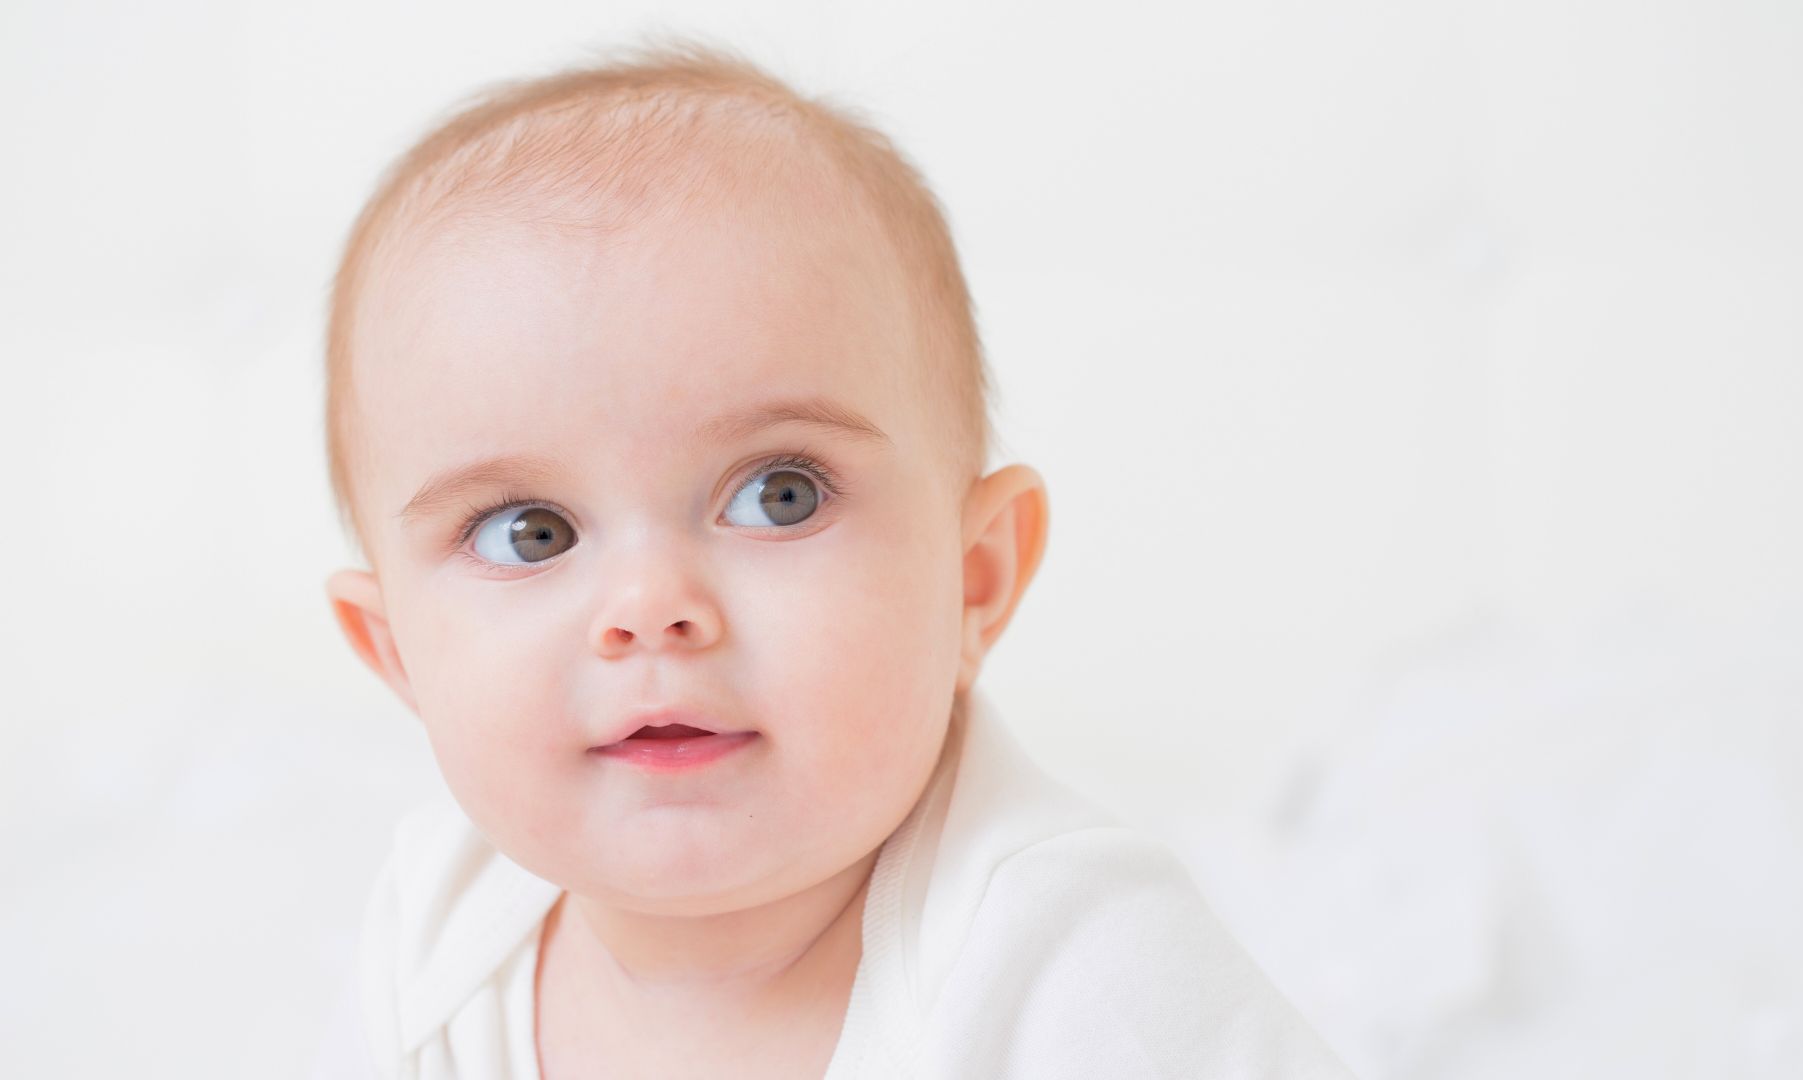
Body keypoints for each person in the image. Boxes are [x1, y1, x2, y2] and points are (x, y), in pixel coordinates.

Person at [312, 35, 1356, 1079]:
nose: (648, 607)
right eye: (529, 533)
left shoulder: (1076, 971)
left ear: (975, 578)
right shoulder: (434, 931)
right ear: (397, 652)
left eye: (779, 496)